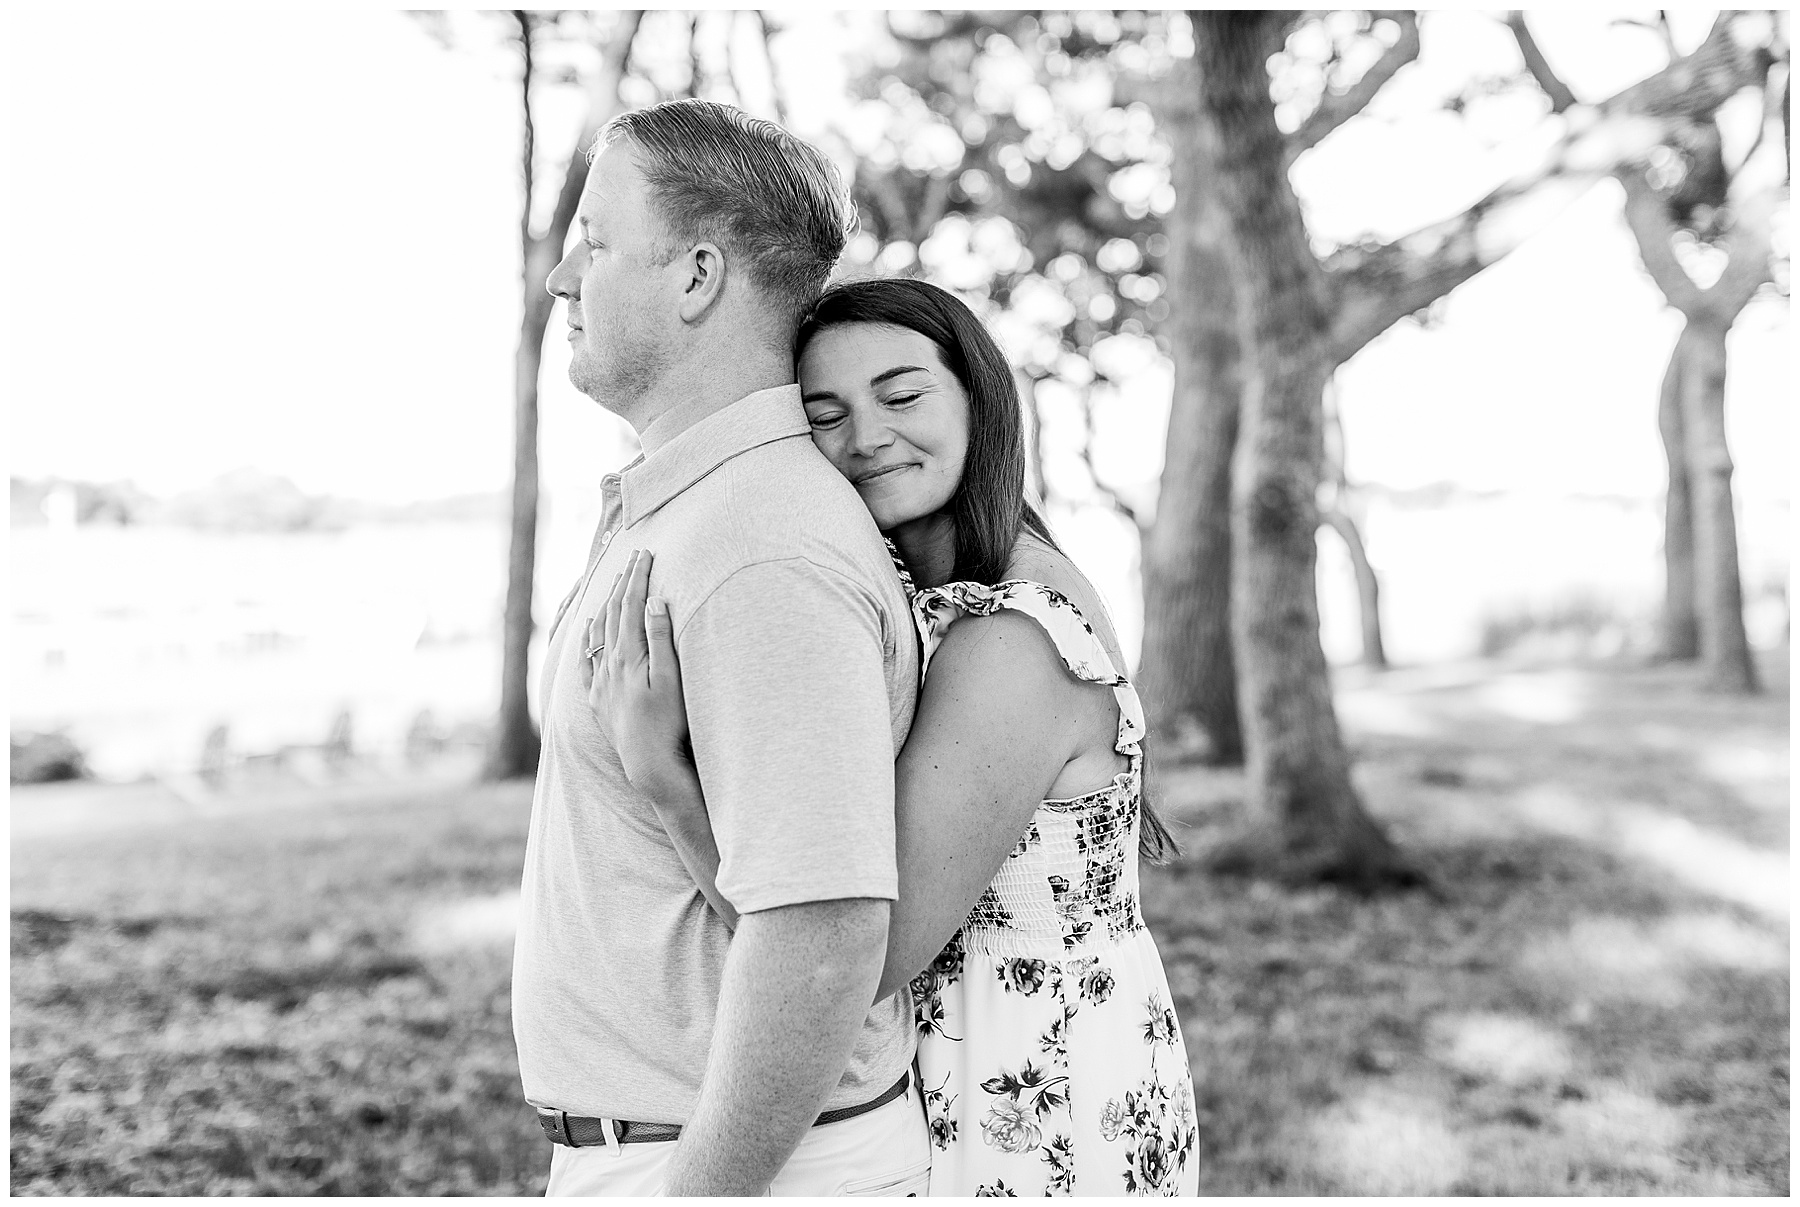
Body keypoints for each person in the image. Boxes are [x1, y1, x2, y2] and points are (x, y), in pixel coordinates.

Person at [589, 278, 1201, 1196]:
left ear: (978, 399)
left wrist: (662, 776)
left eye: (903, 394)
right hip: (967, 1068)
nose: (867, 435)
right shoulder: (931, 603)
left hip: (1037, 1096)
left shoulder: (1012, 637)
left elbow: (860, 959)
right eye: (826, 414)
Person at [511, 98, 932, 1197]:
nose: (563, 277)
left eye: (596, 242)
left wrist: (700, 1189)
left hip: (734, 1169)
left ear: (699, 275)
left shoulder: (760, 543)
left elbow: (827, 927)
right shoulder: (704, 508)